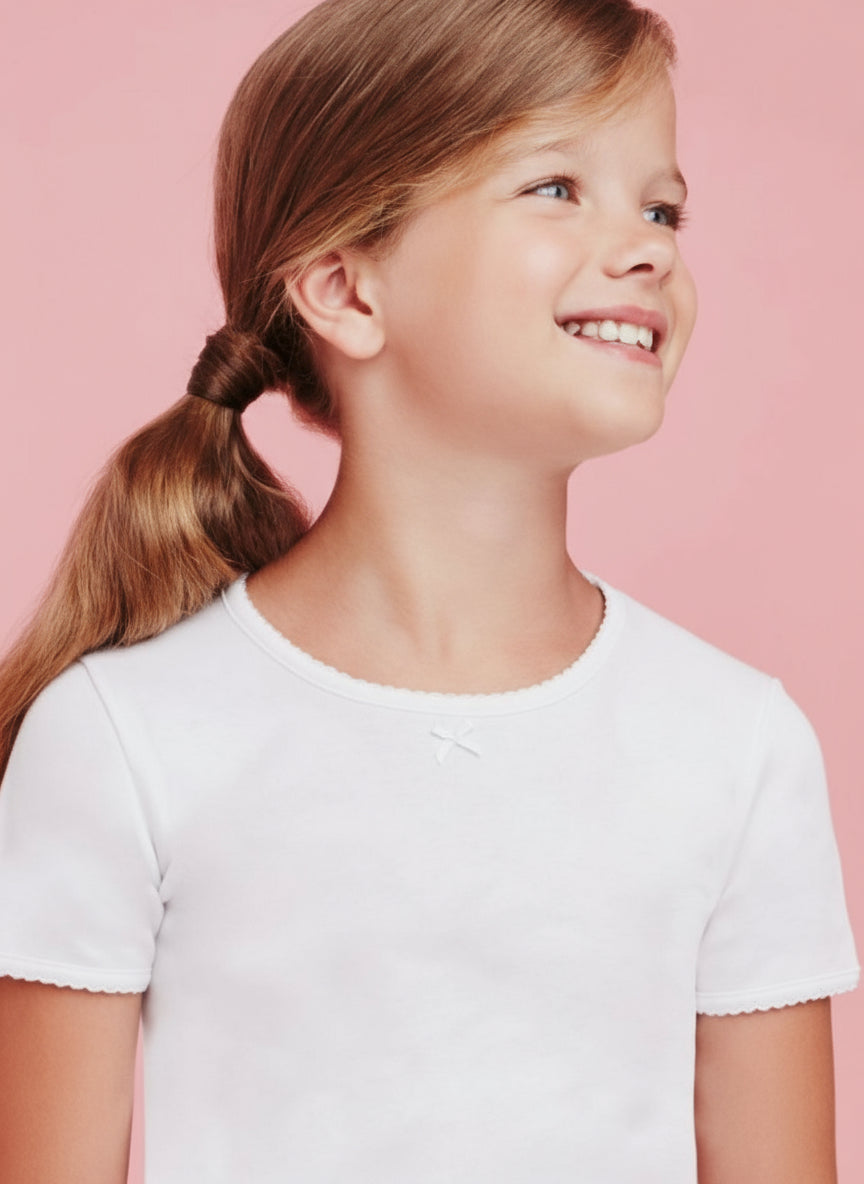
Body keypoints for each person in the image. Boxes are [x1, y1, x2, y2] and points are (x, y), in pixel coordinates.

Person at [0, 0, 858, 1180]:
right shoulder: (124, 736)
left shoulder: (739, 742)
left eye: (662, 208)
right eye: (557, 187)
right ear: (347, 289)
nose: (650, 248)